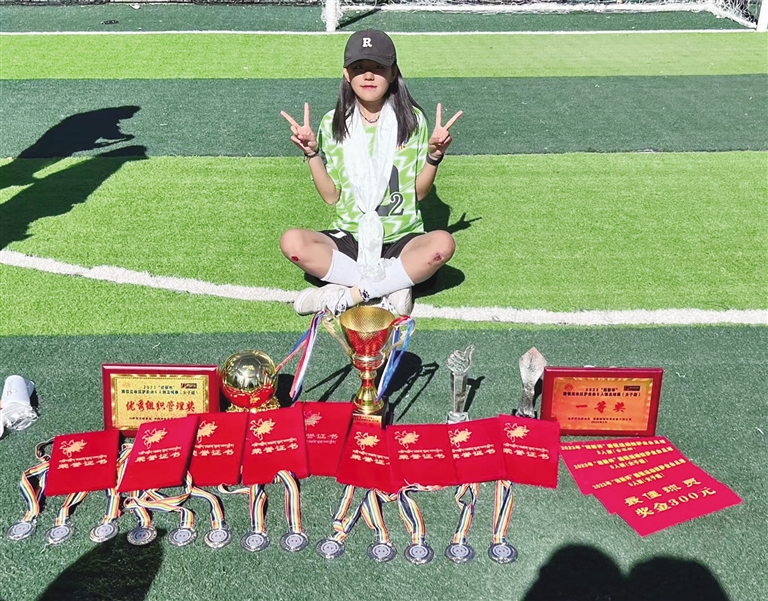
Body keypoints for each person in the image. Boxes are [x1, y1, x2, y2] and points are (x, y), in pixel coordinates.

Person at [280, 29, 462, 316]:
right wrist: (312, 154)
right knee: (292, 242)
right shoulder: (332, 122)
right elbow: (331, 196)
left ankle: (346, 294)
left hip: (402, 237)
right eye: (359, 67)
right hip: (350, 236)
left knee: (442, 244)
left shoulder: (412, 120)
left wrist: (434, 156)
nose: (368, 75)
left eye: (378, 67)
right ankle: (391, 286)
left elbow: (419, 193)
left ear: (393, 73)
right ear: (346, 74)